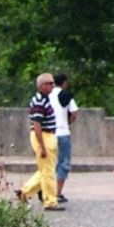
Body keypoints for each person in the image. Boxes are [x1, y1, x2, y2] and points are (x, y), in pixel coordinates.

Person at [19, 74, 61, 210]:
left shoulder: (44, 99)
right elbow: (37, 124)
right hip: (43, 136)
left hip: (48, 135)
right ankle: (50, 201)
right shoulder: (39, 101)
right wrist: (42, 146)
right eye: (50, 83)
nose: (52, 86)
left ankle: (25, 192)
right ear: (42, 85)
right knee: (48, 172)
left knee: (45, 169)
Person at [52, 73, 76, 206]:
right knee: (63, 163)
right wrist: (68, 123)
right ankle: (57, 192)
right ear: (64, 83)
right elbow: (74, 112)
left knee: (50, 163)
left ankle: (46, 189)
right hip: (63, 131)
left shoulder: (47, 95)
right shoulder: (66, 95)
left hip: (49, 132)